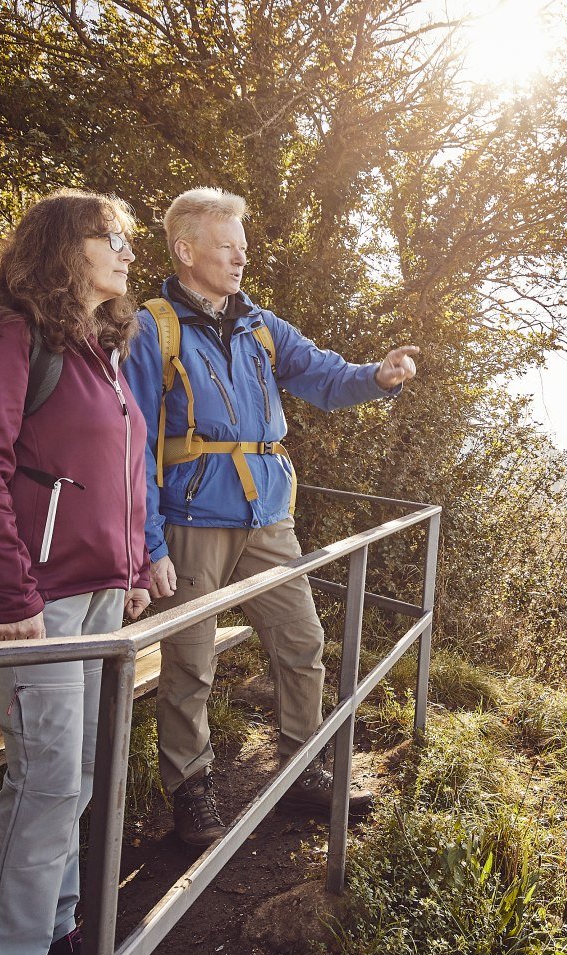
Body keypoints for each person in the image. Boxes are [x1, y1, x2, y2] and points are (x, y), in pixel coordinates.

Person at [124, 186, 417, 848]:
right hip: (190, 519)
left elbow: (323, 377)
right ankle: (190, 792)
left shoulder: (261, 327)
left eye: (243, 248)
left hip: (267, 516)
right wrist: (149, 544)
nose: (240, 259)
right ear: (185, 250)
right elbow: (132, 446)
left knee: (301, 642)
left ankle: (301, 769)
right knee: (189, 665)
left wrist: (377, 377)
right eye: (226, 247)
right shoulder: (152, 330)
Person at [0, 190, 153, 955]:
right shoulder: (12, 333)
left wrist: (132, 567)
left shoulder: (100, 348)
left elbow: (121, 469)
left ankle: (58, 929)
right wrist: (13, 592)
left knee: (81, 777)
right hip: (39, 600)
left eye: (128, 240)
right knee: (46, 784)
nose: (128, 253)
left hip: (98, 594)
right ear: (66, 246)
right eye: (112, 238)